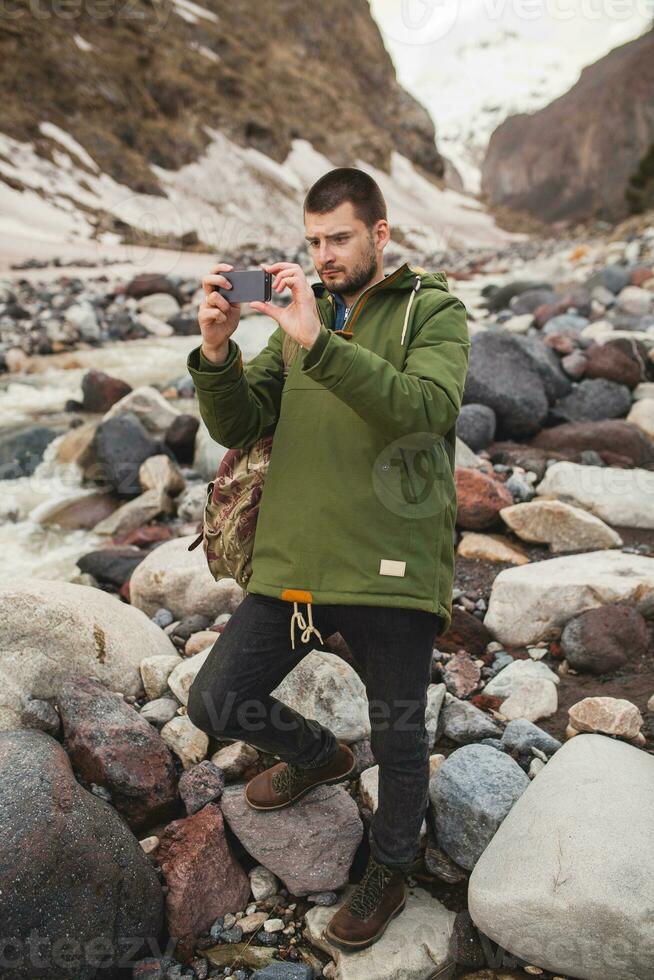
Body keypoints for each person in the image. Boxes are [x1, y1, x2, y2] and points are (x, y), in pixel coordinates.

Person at [185, 167, 470, 951]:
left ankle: (390, 865)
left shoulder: (431, 311)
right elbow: (242, 422)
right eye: (314, 240)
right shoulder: (301, 315)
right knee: (214, 703)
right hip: (297, 568)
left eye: (339, 238)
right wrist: (216, 353)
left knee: (404, 733)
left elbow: (427, 411)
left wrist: (321, 342)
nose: (326, 254)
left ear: (380, 234)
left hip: (391, 570)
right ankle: (318, 755)